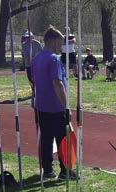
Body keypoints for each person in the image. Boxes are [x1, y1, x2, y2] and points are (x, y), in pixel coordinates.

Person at [33, 25, 77, 180]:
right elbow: (57, 83)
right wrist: (66, 107)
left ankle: (48, 170)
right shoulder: (54, 59)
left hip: (41, 106)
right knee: (62, 138)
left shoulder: (37, 58)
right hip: (55, 107)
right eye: (60, 42)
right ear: (52, 41)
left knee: (45, 139)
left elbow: (34, 81)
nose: (61, 46)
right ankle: (65, 171)